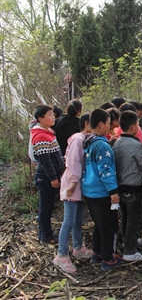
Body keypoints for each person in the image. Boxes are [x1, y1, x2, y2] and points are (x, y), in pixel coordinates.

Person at [82, 108, 123, 271]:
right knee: (109, 226)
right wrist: (113, 191)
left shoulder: (89, 141)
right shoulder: (102, 146)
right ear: (101, 124)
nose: (109, 126)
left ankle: (97, 253)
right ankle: (108, 258)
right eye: (107, 123)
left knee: (99, 224)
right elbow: (105, 170)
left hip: (90, 190)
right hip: (102, 191)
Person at [53, 113, 93, 273]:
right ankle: (61, 255)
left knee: (78, 219)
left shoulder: (85, 139)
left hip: (79, 183)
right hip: (72, 183)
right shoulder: (78, 139)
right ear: (85, 123)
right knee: (69, 220)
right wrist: (74, 183)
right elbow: (73, 162)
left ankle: (78, 247)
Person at [112, 110, 142, 262]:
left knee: (126, 216)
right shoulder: (135, 145)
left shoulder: (116, 142)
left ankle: (129, 240)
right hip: (132, 186)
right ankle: (129, 250)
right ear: (133, 127)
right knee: (134, 218)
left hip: (120, 186)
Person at [31, 105, 65, 244]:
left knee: (48, 206)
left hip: (51, 175)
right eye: (49, 115)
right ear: (41, 119)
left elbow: (54, 155)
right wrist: (53, 178)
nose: (53, 117)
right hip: (45, 177)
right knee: (45, 207)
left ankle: (46, 232)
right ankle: (46, 235)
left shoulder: (49, 132)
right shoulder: (40, 136)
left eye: (53, 115)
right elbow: (45, 160)